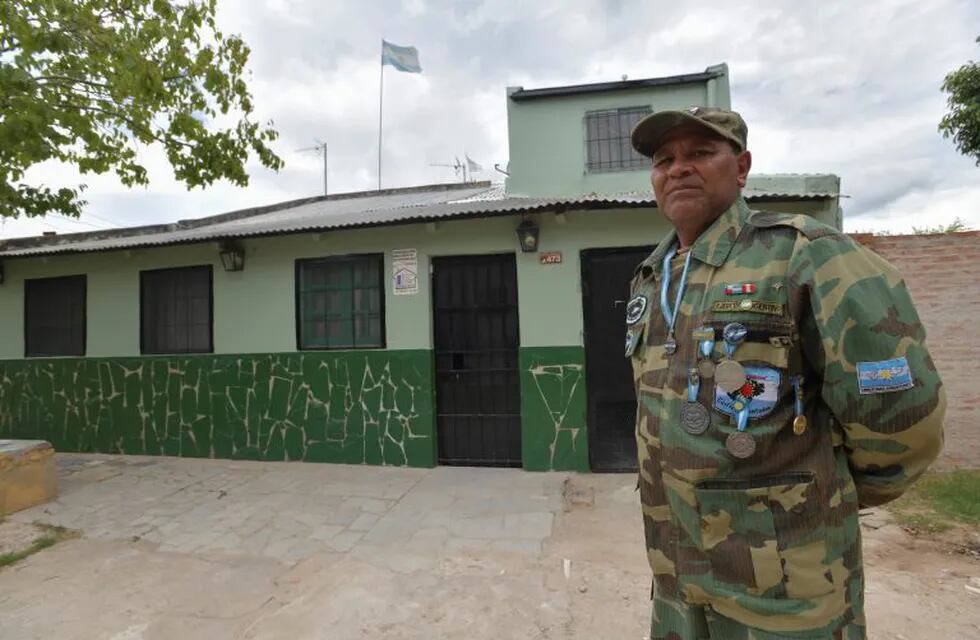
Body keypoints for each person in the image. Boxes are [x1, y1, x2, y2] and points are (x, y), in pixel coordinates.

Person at [624, 106, 945, 639]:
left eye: (700, 153)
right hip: (679, 582)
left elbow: (902, 423)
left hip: (785, 598)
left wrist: (824, 496)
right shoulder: (651, 277)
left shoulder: (805, 255)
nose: (677, 168)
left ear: (742, 166)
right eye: (664, 160)